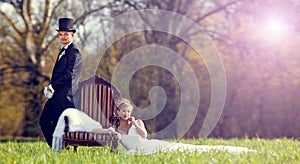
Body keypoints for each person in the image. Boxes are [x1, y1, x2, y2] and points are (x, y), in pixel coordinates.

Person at [92, 98, 257, 155]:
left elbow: (144, 136)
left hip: (148, 145)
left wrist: (135, 122)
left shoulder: (138, 122)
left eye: (128, 111)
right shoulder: (116, 128)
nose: (126, 114)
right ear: (118, 112)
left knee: (181, 149)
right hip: (136, 152)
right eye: (124, 111)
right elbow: (97, 130)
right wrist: (112, 134)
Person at [39, 17, 82, 148]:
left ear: (72, 35)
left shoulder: (74, 52)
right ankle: (57, 147)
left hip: (66, 97)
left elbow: (69, 75)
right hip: (57, 95)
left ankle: (60, 148)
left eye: (66, 34)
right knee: (44, 120)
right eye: (61, 34)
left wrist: (52, 86)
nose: (63, 37)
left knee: (58, 124)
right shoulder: (62, 51)